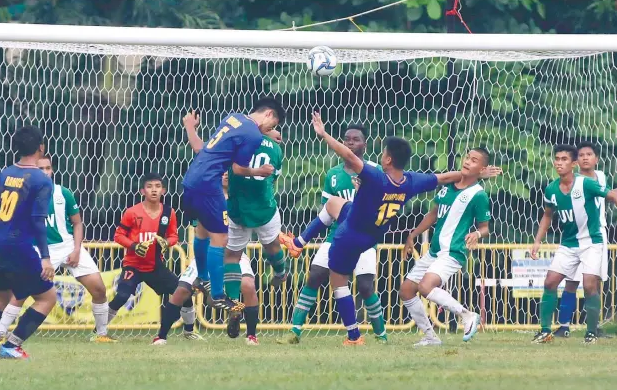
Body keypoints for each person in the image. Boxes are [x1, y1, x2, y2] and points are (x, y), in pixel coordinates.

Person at [280, 113, 501, 344]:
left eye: (383, 153)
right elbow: (445, 177)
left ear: (387, 160)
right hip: (373, 235)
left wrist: (323, 134)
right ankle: (297, 243)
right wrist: (476, 174)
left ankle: (354, 336)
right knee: (335, 204)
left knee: (338, 282)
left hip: (350, 234)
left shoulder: (376, 177)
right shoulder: (411, 181)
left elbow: (346, 154)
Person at [0, 156, 114, 343]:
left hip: (67, 246)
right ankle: (1, 333)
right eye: (41, 168)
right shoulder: (24, 194)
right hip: (39, 250)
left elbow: (77, 222)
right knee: (21, 293)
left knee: (98, 288)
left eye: (48, 168)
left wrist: (76, 249)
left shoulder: (63, 193)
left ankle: (101, 333)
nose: (45, 172)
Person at [277, 124, 388, 344]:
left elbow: (386, 205)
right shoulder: (333, 175)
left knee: (365, 286)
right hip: (337, 236)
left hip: (364, 238)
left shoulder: (375, 171)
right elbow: (327, 210)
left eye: (355, 139)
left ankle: (380, 334)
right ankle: (295, 331)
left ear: (365, 145)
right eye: (347, 139)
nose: (350, 143)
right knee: (315, 274)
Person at [183, 116, 284, 345]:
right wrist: (259, 164)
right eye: (272, 125)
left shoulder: (230, 132)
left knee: (205, 233)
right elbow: (238, 168)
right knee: (219, 239)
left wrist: (189, 126)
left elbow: (200, 147)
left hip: (194, 186)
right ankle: (218, 295)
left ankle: (207, 283)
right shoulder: (241, 146)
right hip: (227, 212)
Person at [0, 126, 56, 359]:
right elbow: (38, 221)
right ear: (41, 147)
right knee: (47, 298)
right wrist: (45, 257)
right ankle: (11, 345)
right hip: (18, 244)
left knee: (0, 296)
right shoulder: (42, 180)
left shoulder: (5, 172)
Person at [400, 148, 492, 346]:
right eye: (467, 157)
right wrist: (413, 235)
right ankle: (430, 337)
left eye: (474, 160)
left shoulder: (478, 195)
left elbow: (485, 228)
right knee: (407, 290)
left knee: (425, 287)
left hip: (453, 252)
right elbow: (433, 214)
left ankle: (467, 315)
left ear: (482, 168)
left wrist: (476, 233)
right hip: (435, 251)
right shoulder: (448, 187)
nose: (468, 161)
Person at [531, 144, 617, 344]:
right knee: (550, 282)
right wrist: (537, 241)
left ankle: (591, 332)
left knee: (589, 285)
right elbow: (547, 215)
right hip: (568, 244)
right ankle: (545, 330)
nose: (559, 163)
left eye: (564, 159)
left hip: (592, 242)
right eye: (557, 159)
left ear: (573, 164)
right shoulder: (551, 188)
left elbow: (611, 195)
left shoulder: (585, 183)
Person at [107, 173, 180, 330]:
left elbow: (174, 236)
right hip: (133, 265)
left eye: (157, 186)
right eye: (149, 186)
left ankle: (189, 330)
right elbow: (118, 235)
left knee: (183, 291)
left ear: (163, 191)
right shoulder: (132, 212)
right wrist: (134, 246)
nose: (154, 190)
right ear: (142, 191)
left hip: (155, 265)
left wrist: (166, 243)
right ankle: (98, 331)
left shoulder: (169, 212)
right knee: (122, 296)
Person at [553, 141, 610, 338]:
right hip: (575, 236)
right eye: (582, 155)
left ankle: (594, 327)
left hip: (597, 234)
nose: (585, 157)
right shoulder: (572, 180)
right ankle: (564, 325)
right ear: (576, 161)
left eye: (589, 154)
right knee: (571, 281)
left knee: (593, 282)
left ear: (597, 158)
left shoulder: (601, 177)